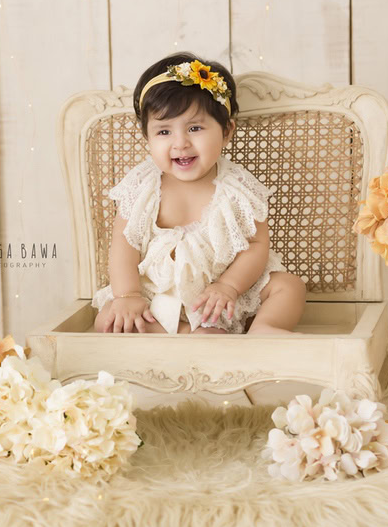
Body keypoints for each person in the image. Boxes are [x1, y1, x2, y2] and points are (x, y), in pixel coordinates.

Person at [91, 52, 307, 336]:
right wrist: (128, 295)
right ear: (147, 136)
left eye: (195, 128)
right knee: (108, 319)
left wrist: (229, 285)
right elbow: (123, 241)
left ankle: (264, 330)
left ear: (227, 131)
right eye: (164, 131)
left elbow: (256, 244)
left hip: (219, 298)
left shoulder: (237, 189)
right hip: (154, 296)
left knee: (290, 286)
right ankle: (185, 335)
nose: (181, 143)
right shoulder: (142, 187)